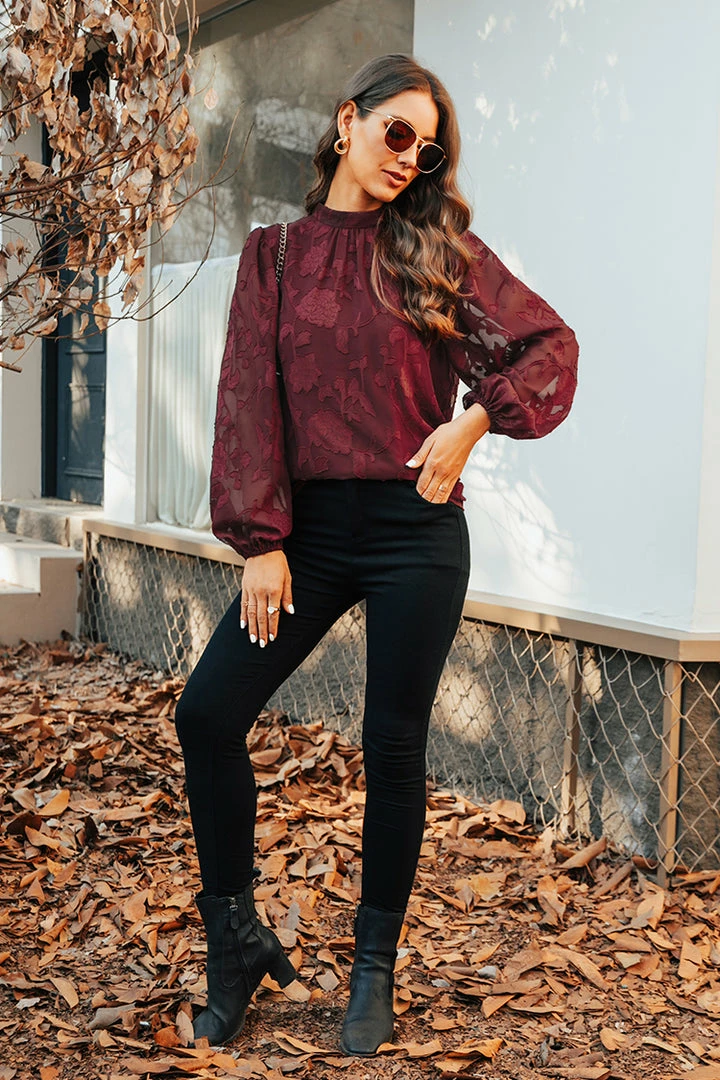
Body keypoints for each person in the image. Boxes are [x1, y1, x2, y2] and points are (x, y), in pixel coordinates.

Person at [174, 53, 578, 1056]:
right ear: (346, 121)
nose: (410, 157)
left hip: (415, 531)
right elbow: (246, 399)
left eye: (428, 149)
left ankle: (373, 971)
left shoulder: (439, 251)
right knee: (208, 713)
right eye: (397, 132)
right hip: (306, 537)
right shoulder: (275, 256)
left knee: (393, 745)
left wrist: (473, 421)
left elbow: (548, 346)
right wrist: (261, 541)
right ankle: (236, 945)